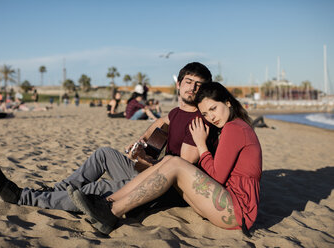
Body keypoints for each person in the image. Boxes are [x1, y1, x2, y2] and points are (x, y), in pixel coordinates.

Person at [0, 62, 212, 215]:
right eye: (189, 81)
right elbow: (156, 128)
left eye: (199, 85)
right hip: (152, 172)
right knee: (104, 153)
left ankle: (22, 197)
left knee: (95, 189)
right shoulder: (175, 113)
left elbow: (179, 171)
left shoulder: (199, 120)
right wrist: (139, 145)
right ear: (179, 84)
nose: (192, 88)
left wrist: (148, 160)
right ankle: (54, 190)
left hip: (163, 188)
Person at [67, 82, 262, 236]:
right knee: (170, 160)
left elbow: (218, 177)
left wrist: (201, 144)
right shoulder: (234, 127)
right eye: (205, 113)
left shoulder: (234, 129)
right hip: (225, 206)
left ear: (227, 102)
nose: (211, 117)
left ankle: (112, 212)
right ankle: (108, 202)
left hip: (236, 212)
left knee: (175, 163)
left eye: (213, 108)